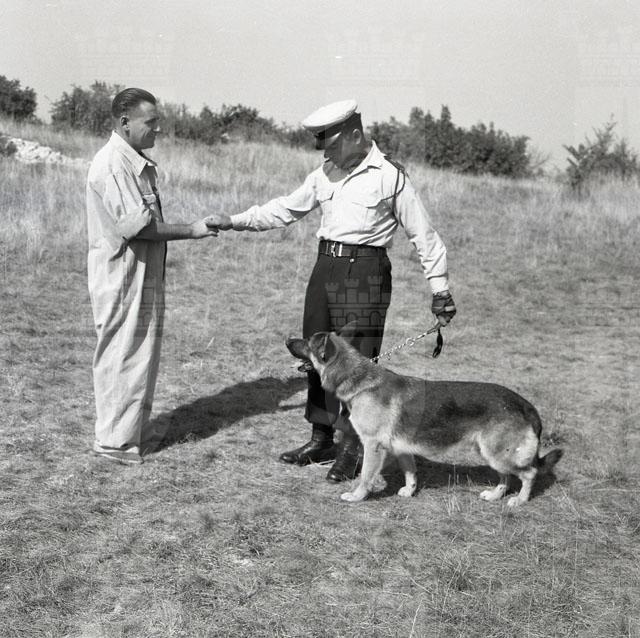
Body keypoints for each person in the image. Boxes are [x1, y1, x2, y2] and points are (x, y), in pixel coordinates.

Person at [206, 99, 456, 482]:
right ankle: (321, 438)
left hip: (366, 271)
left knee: (358, 363)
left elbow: (424, 235)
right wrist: (234, 220)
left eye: (332, 144)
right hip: (325, 268)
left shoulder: (390, 177)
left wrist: (440, 290)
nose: (326, 152)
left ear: (355, 135)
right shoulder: (325, 173)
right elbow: (285, 209)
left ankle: (353, 449)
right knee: (315, 354)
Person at [86, 87, 219, 465]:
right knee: (123, 354)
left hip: (139, 275)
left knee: (139, 353)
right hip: (123, 277)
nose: (157, 129)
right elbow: (140, 228)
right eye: (151, 122)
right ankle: (114, 442)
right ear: (124, 122)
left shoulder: (132, 161)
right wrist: (192, 230)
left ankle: (131, 433)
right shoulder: (115, 164)